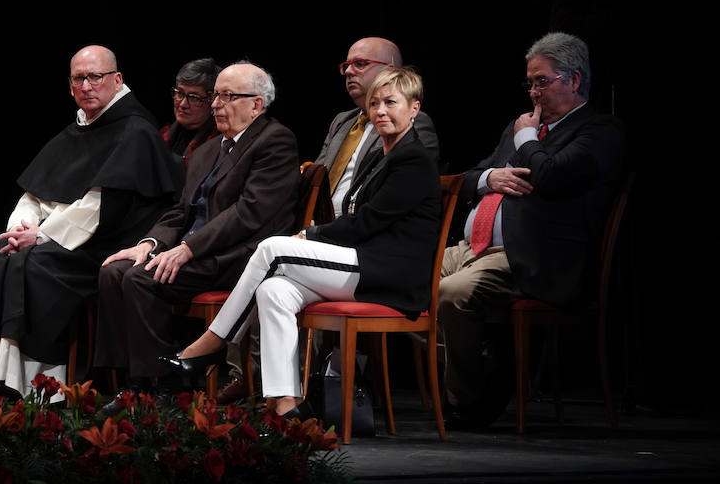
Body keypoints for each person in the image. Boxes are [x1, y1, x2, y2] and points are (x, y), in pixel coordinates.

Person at [165, 66, 441, 418]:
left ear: (414, 109)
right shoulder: (380, 156)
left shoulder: (412, 158)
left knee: (271, 248)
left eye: (391, 103)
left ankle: (211, 344)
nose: (381, 111)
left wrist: (311, 234)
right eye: (374, 104)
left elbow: (369, 223)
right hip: (362, 265)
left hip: (391, 275)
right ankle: (285, 405)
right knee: (274, 291)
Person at [0, 45, 184, 397]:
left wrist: (41, 236)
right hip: (54, 238)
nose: (86, 86)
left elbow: (100, 207)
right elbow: (36, 193)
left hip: (99, 246)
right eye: (78, 79)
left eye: (95, 77)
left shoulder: (134, 130)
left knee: (30, 268)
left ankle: (31, 385)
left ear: (117, 80)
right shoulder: (81, 127)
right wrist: (21, 228)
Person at [437, 32, 625, 428]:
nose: (534, 93)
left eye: (543, 81)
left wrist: (526, 138)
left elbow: (552, 178)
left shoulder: (598, 132)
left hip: (534, 256)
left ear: (574, 80)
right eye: (530, 83)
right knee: (403, 279)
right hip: (472, 248)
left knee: (452, 294)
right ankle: (486, 364)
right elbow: (470, 176)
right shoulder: (520, 127)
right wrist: (490, 178)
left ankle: (468, 401)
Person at [94, 61, 300, 397]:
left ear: (256, 104)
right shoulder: (208, 150)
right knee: (114, 271)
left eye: (227, 96)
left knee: (141, 279)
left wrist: (189, 248)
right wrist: (149, 243)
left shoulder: (274, 140)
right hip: (195, 251)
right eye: (216, 96)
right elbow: (180, 211)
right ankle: (131, 380)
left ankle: (163, 386)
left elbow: (249, 213)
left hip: (238, 256)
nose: (216, 104)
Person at [316, 36, 439, 217]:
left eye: (359, 63)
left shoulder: (409, 122)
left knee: (272, 245)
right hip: (316, 221)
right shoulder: (342, 121)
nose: (348, 71)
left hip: (361, 225)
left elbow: (396, 191)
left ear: (389, 71)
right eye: (347, 65)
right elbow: (316, 175)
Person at [161, 58, 220, 165]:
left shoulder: (217, 145)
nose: (183, 104)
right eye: (180, 93)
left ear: (212, 100)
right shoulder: (161, 134)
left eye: (194, 97)